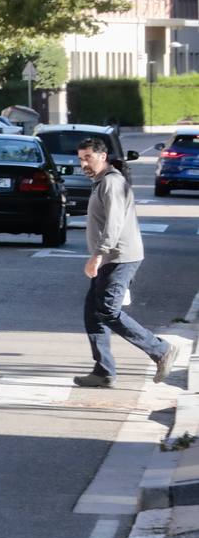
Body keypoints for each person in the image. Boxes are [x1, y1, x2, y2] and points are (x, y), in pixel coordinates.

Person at [74, 137, 180, 388]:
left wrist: (98, 254)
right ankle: (103, 370)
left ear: (102, 156)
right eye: (80, 158)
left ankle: (160, 350)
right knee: (93, 313)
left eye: (87, 157)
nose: (83, 163)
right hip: (111, 257)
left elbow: (114, 223)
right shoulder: (102, 181)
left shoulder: (111, 182)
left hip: (119, 257)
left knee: (108, 310)